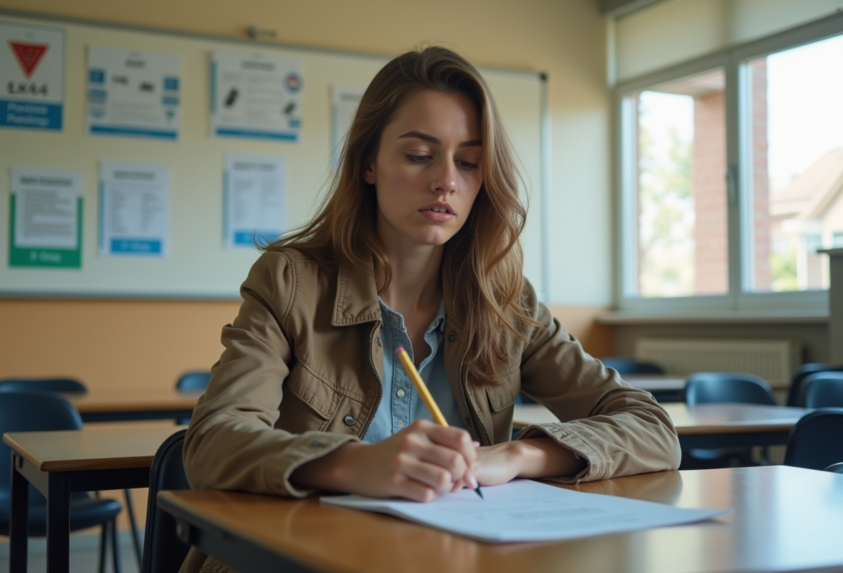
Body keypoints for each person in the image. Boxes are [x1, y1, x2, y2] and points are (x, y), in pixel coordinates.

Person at [180, 46, 680, 573]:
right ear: (368, 163)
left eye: (468, 162)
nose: (447, 180)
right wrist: (352, 464)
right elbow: (213, 442)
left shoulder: (507, 302)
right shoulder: (290, 282)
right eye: (420, 155)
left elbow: (651, 428)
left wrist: (514, 456)